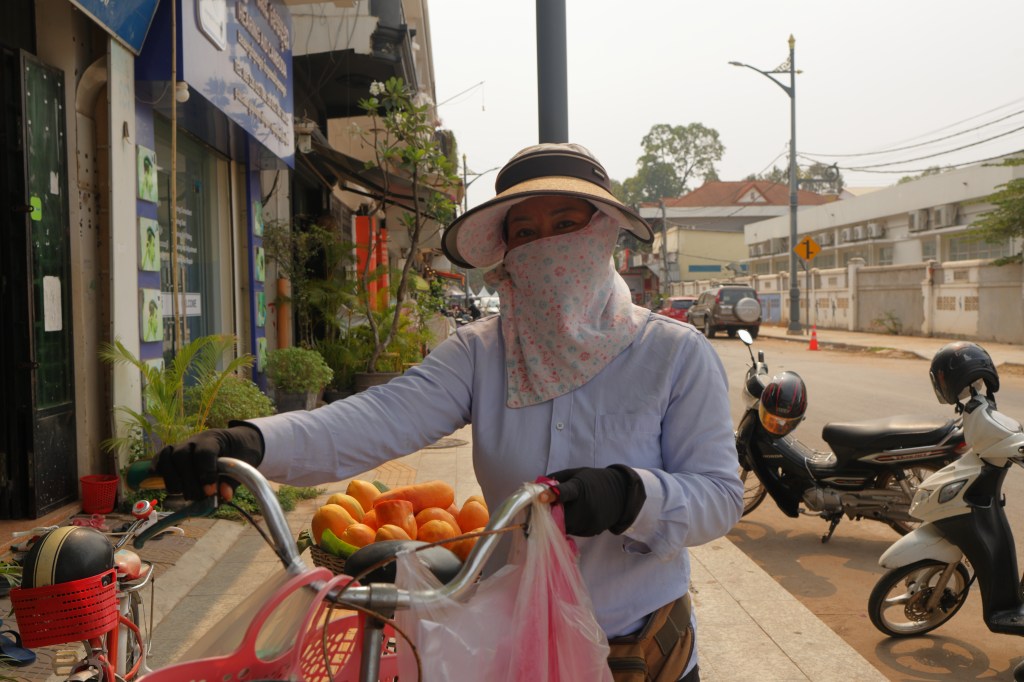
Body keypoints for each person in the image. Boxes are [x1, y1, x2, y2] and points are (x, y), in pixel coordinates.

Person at [158, 142, 743, 681]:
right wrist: (249, 442)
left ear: (605, 231)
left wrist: (631, 494)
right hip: (517, 650)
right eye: (526, 232)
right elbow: (375, 417)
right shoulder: (481, 353)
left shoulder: (673, 354)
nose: (547, 245)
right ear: (507, 251)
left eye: (566, 224)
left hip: (641, 653)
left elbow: (719, 496)